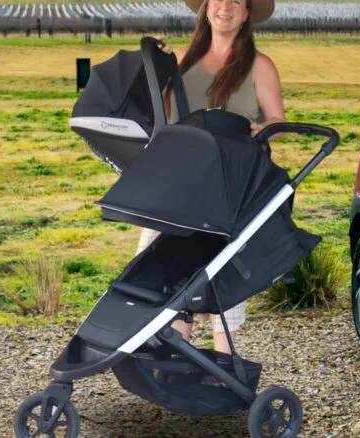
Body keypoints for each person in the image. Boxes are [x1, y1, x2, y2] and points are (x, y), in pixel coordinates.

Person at [136, 0, 285, 355]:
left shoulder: (259, 65)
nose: (226, 6)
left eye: (237, 1)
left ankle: (224, 361)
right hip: (178, 182)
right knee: (163, 263)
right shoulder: (181, 61)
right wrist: (156, 65)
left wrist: (261, 129)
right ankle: (176, 355)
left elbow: (278, 121)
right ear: (205, 8)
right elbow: (158, 113)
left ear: (246, 14)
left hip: (230, 184)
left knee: (223, 266)